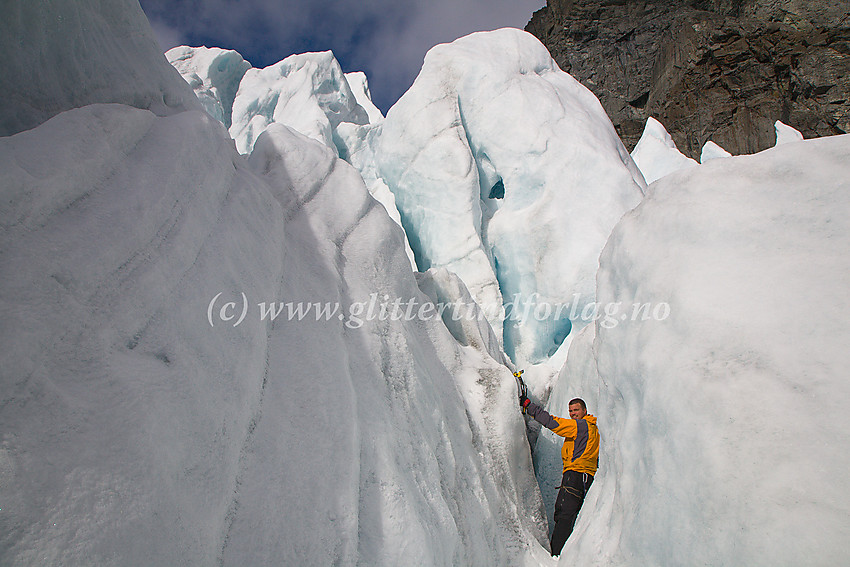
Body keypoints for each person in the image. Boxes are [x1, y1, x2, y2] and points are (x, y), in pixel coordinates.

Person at [520, 394, 599, 557]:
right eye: (570, 411)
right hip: (585, 477)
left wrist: (529, 407)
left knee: (564, 514)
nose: (573, 413)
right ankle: (569, 554)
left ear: (585, 411)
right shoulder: (592, 429)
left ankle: (556, 555)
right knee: (571, 515)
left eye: (576, 410)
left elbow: (553, 423)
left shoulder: (582, 426)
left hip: (576, 475)